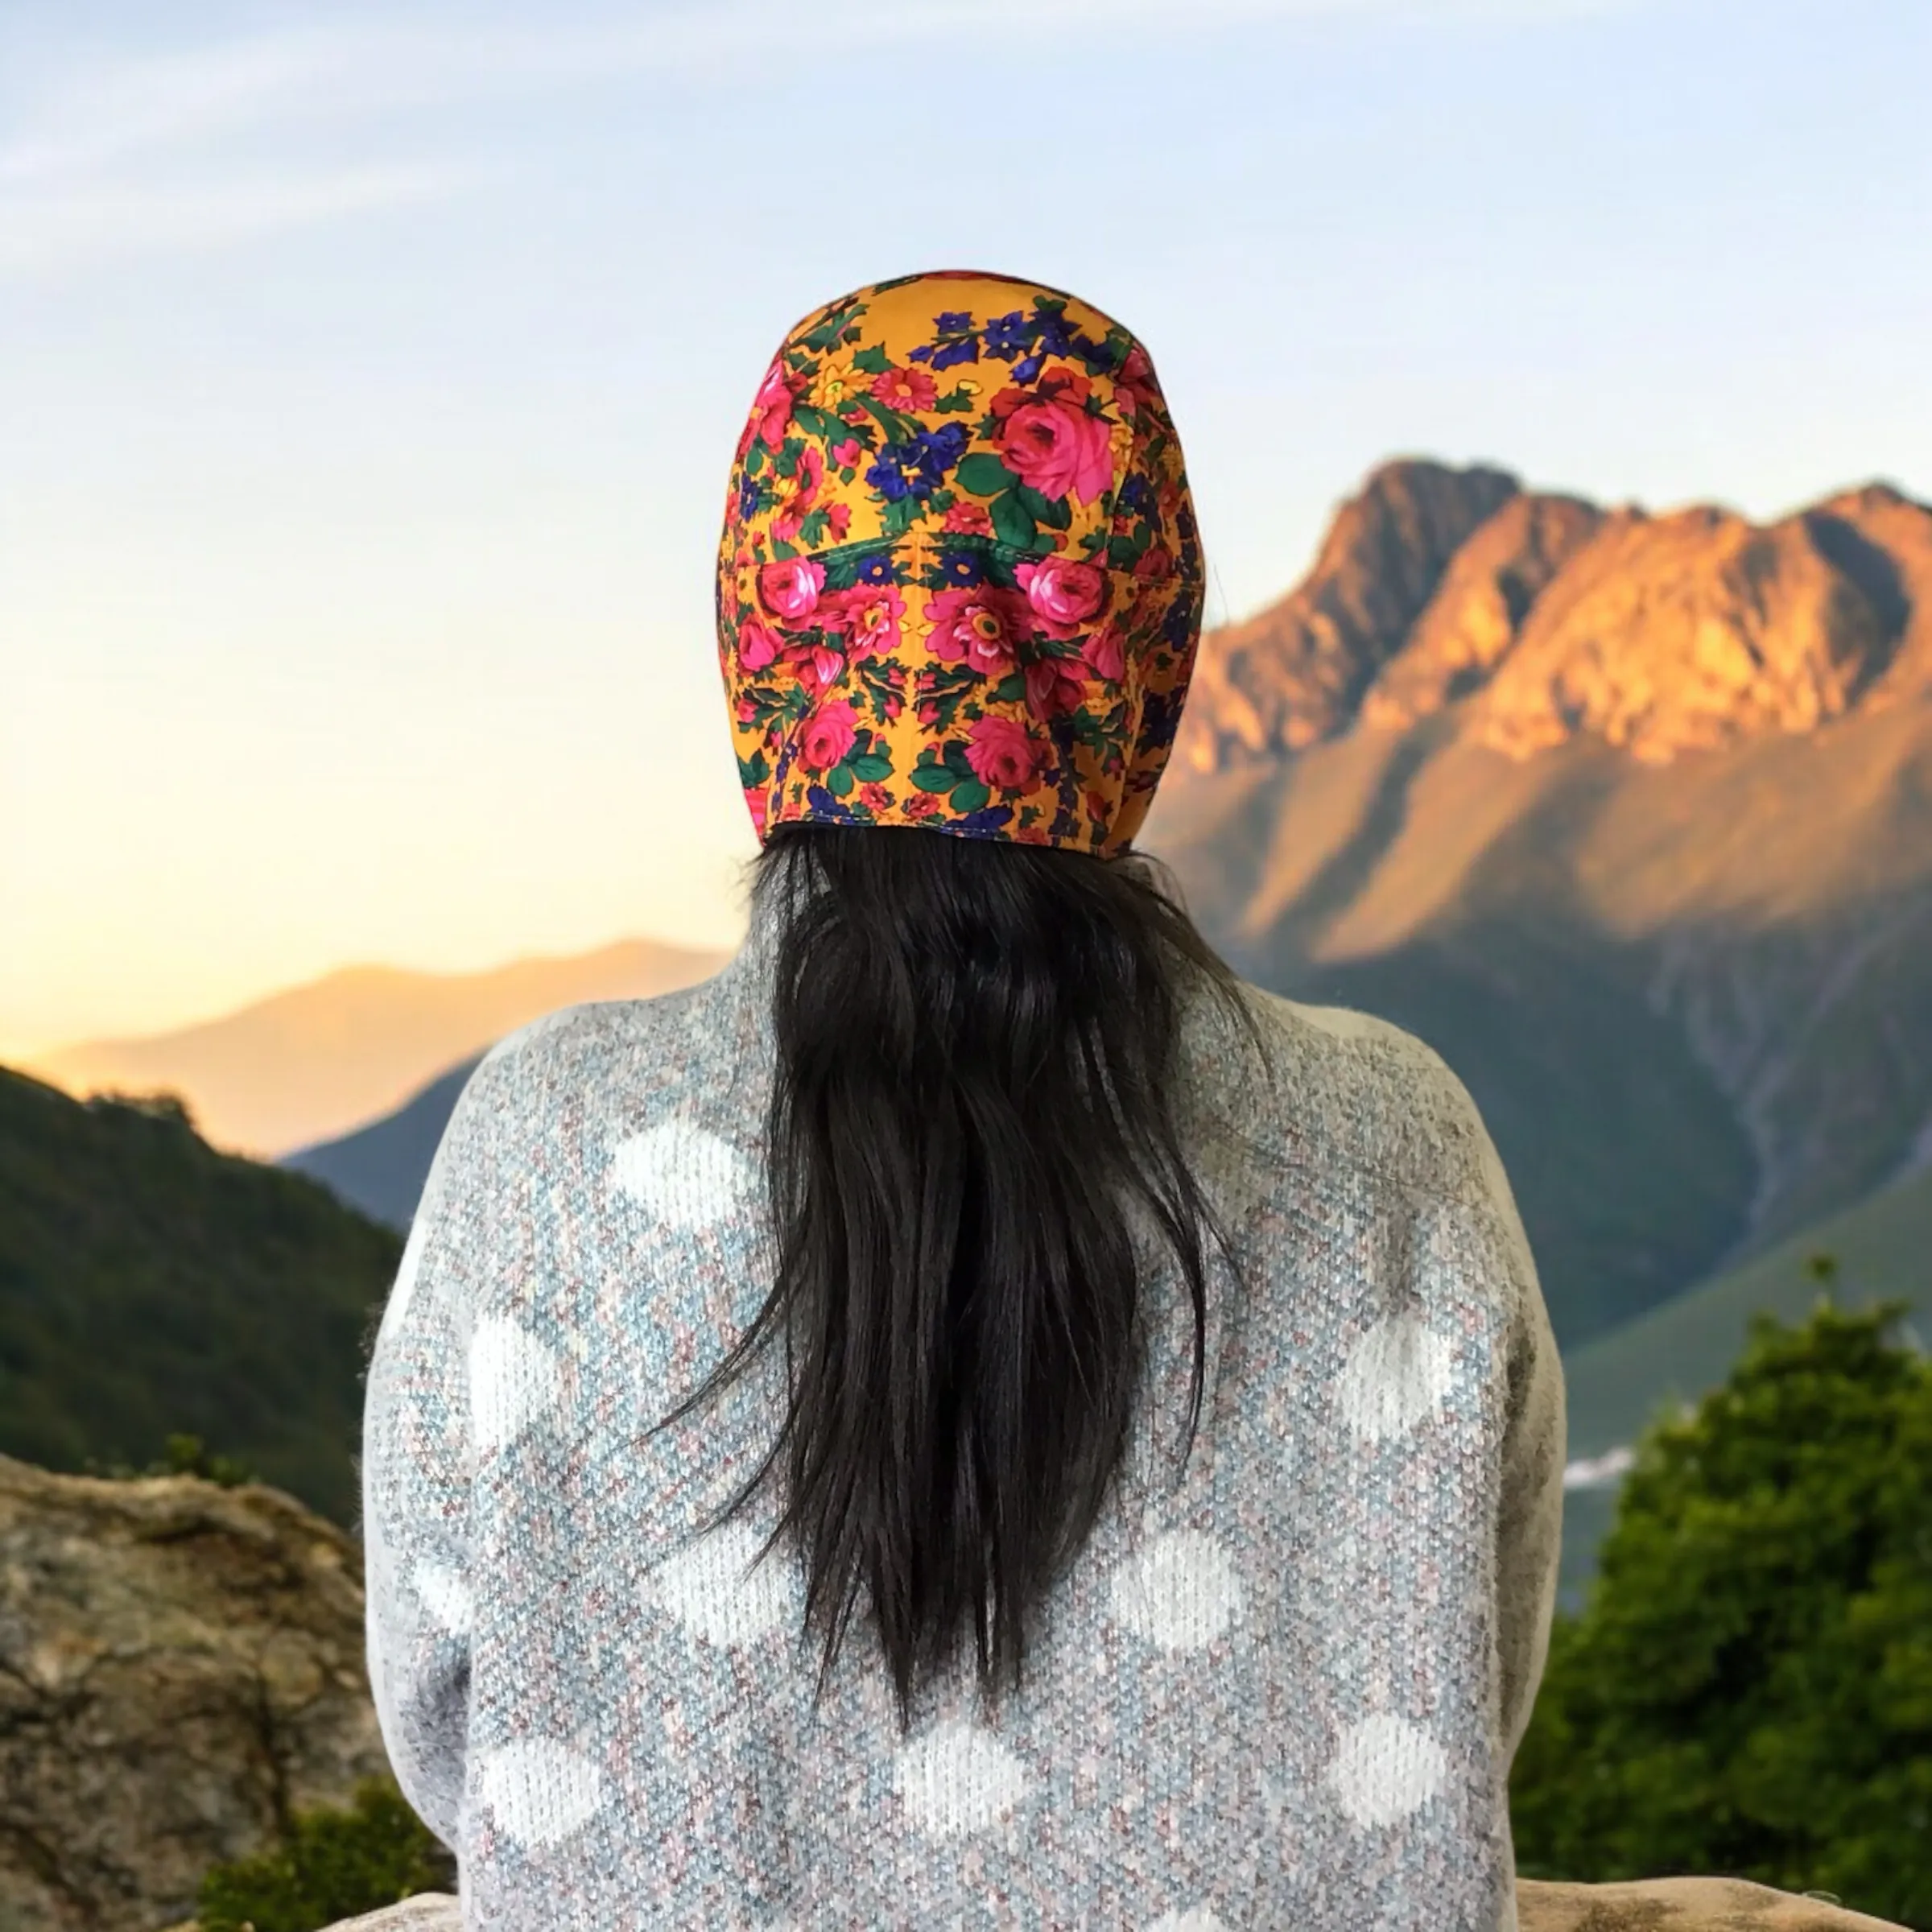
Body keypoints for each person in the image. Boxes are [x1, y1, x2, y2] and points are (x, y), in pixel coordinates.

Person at [361, 269, 1567, 1931]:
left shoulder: (546, 1137)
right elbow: (1465, 1688)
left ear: (765, 622)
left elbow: (456, 1728)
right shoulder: (1396, 1139)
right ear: (1142, 630)